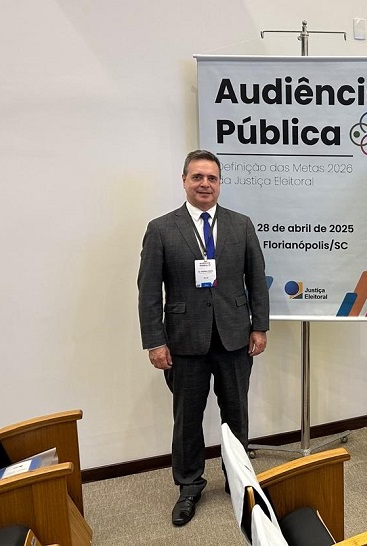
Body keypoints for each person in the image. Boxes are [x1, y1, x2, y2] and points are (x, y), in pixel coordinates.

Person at [137, 149, 269, 526]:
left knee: (236, 415)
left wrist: (259, 326)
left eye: (212, 178)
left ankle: (238, 480)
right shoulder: (161, 229)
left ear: (220, 183)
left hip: (234, 338)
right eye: (197, 177)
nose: (205, 184)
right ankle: (189, 485)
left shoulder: (241, 225)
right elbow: (149, 291)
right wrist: (155, 341)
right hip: (184, 341)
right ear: (184, 181)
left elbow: (256, 279)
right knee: (187, 419)